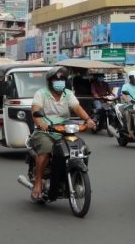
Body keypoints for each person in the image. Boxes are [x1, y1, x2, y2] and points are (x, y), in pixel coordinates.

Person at [30, 66, 95, 202]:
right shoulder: (41, 93)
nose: (60, 82)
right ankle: (38, 183)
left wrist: (88, 120)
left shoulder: (68, 94)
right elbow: (35, 110)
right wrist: (40, 123)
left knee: (84, 148)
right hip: (45, 131)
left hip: (64, 131)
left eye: (62, 79)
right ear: (50, 81)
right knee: (47, 151)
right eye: (56, 79)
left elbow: (76, 108)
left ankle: (76, 177)